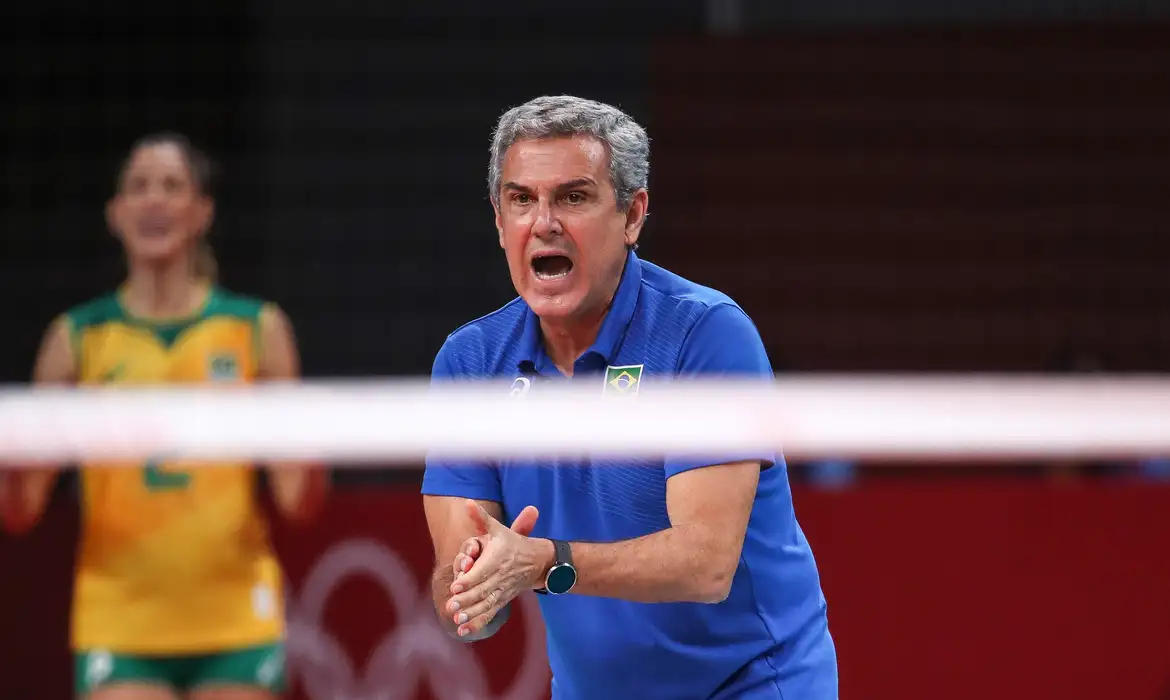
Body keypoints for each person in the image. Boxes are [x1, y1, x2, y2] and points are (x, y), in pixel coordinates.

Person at [421, 96, 838, 699]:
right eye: (521, 199)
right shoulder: (470, 364)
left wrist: (543, 562)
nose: (544, 223)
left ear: (633, 215)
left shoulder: (706, 335)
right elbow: (459, 597)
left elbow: (706, 565)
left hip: (751, 683)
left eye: (573, 197)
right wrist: (472, 589)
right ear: (498, 220)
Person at [0, 132, 328, 700]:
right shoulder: (76, 339)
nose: (154, 200)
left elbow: (298, 502)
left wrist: (317, 441)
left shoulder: (256, 329)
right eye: (139, 187)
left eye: (172, 186)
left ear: (202, 211)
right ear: (116, 212)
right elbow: (22, 510)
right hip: (118, 618)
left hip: (236, 616)